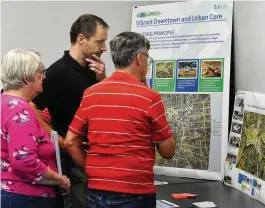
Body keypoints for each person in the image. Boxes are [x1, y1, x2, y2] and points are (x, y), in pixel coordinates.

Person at [64, 32, 176, 208]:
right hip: (135, 193)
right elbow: (168, 151)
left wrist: (92, 170)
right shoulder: (150, 97)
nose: (147, 64)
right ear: (139, 58)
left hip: (96, 191)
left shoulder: (91, 93)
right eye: (148, 58)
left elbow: (70, 141)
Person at [30, 14, 109, 208]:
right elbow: (31, 106)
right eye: (99, 41)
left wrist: (103, 80)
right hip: (72, 161)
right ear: (81, 38)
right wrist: (55, 136)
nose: (104, 48)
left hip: (97, 154)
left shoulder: (94, 70)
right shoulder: (56, 72)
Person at [0, 49, 70, 208]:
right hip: (25, 197)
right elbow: (24, 161)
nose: (44, 77)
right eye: (40, 72)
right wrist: (60, 179)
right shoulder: (20, 109)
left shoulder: (4, 102)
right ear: (26, 77)